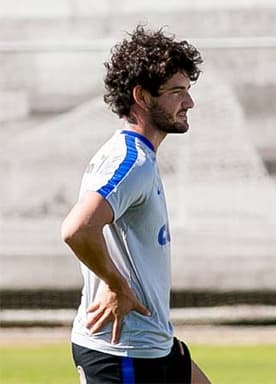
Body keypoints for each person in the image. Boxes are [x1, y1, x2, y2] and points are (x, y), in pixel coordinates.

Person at [61, 25, 211, 383]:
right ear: (142, 96)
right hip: (122, 350)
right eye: (177, 92)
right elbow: (77, 229)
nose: (188, 103)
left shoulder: (138, 157)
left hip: (153, 343)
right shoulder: (132, 162)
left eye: (187, 91)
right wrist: (115, 285)